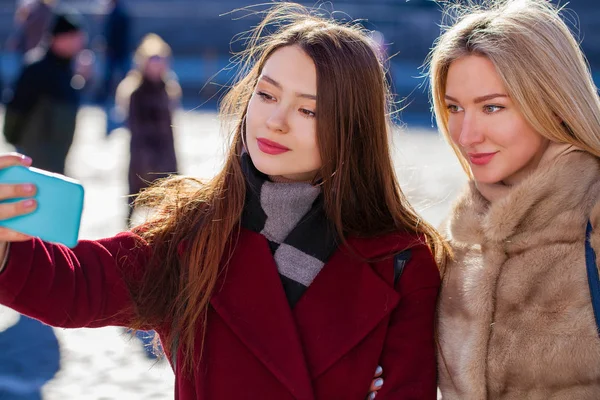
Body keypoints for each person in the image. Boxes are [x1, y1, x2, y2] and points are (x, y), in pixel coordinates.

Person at [0, 4, 446, 399]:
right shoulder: (196, 231)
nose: (275, 121)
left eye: (308, 110)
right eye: (266, 95)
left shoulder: (402, 263)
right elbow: (79, 286)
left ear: (353, 127)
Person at [428, 0, 600, 398]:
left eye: (492, 107)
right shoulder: (453, 241)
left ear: (554, 103)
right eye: (454, 108)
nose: (466, 135)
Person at [3, 9, 86, 175]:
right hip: (34, 161)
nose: (80, 43)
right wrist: (17, 144)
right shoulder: (36, 68)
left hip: (56, 161)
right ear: (59, 38)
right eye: (75, 37)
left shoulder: (67, 70)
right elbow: (15, 112)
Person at [115, 33, 181, 223]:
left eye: (161, 60)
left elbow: (170, 129)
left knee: (168, 209)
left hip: (166, 154)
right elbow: (137, 131)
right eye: (153, 60)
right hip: (143, 158)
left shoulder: (168, 88)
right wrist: (146, 163)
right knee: (134, 202)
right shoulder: (135, 92)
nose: (157, 64)